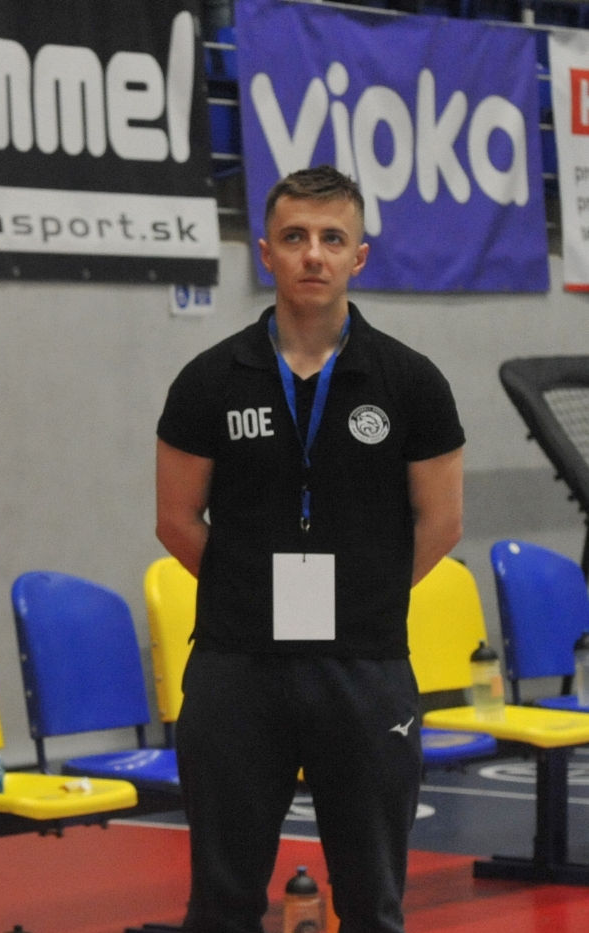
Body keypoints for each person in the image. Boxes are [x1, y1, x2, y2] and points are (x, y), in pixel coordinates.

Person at [154, 165, 464, 933]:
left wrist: (362, 596)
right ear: (267, 253)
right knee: (221, 906)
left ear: (360, 256)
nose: (313, 255)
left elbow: (442, 523)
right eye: (294, 237)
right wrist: (249, 594)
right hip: (236, 664)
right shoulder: (208, 380)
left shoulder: (412, 382)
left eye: (332, 238)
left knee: (372, 906)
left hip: (365, 666)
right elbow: (176, 519)